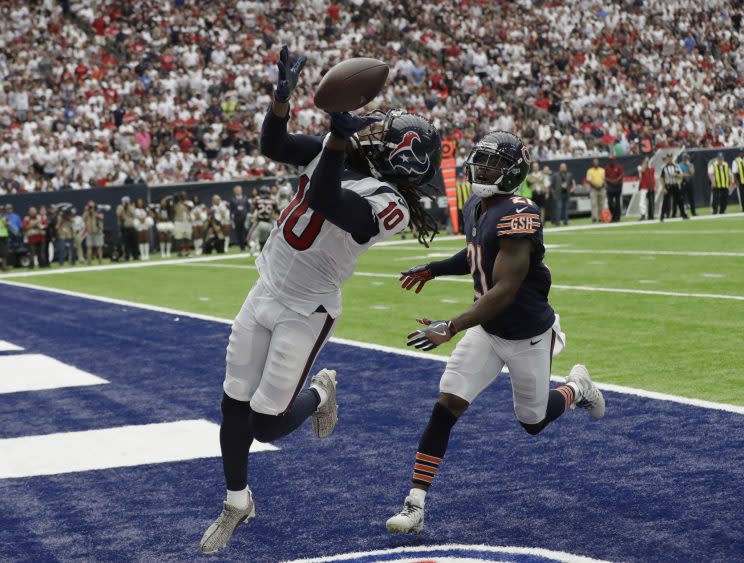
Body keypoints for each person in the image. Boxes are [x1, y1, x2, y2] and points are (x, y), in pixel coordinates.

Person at [199, 44, 442, 554]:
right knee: (232, 402)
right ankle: (236, 500)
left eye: (383, 131)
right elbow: (273, 143)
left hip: (305, 310)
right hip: (265, 287)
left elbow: (326, 200)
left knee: (265, 424)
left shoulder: (391, 203)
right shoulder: (335, 150)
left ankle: (320, 395)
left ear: (399, 154)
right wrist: (281, 100)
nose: (371, 128)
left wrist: (335, 138)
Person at [386, 131, 605, 534]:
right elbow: (475, 254)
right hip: (487, 329)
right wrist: (433, 269)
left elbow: (504, 290)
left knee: (533, 421)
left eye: (492, 164)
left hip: (526, 333)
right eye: (480, 160)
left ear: (513, 173)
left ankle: (577, 387)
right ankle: (415, 502)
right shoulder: (476, 204)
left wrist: (450, 326)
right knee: (448, 402)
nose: (481, 169)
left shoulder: (520, 213)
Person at [247, 185, 279, 255]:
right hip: (269, 224)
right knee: (263, 241)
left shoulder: (257, 200)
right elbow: (277, 213)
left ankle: (253, 245)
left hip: (259, 222)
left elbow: (251, 211)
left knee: (249, 240)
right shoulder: (273, 201)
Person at [660, 154, 688, 221]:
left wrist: (676, 175)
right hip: (668, 185)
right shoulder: (664, 167)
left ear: (672, 158)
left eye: (670, 157)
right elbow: (661, 178)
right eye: (668, 157)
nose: (669, 159)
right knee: (665, 202)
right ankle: (662, 216)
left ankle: (683, 215)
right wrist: (663, 187)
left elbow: (681, 175)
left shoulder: (676, 166)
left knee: (680, 201)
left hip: (675, 185)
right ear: (667, 158)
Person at [585, 157, 606, 223]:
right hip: (593, 189)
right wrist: (596, 186)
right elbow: (589, 180)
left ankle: (600, 217)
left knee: (601, 204)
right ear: (592, 163)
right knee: (594, 204)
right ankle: (594, 218)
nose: (595, 163)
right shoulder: (590, 171)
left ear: (598, 163)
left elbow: (605, 179)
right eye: (594, 162)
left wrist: (601, 185)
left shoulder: (602, 170)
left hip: (602, 189)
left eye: (596, 162)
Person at [231, 185, 251, 251]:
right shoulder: (232, 199)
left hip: (245, 217)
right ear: (234, 191)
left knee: (246, 232)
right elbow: (231, 210)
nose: (238, 191)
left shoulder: (245, 198)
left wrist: (248, 215)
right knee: (239, 233)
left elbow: (248, 208)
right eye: (237, 190)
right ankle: (242, 247)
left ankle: (249, 244)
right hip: (237, 218)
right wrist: (232, 218)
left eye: (239, 190)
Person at [173, 191, 193, 257]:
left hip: (187, 221)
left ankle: (188, 251)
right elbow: (173, 208)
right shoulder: (176, 203)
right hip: (179, 221)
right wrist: (177, 200)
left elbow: (190, 208)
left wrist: (183, 203)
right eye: (182, 195)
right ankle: (180, 251)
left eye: (184, 195)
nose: (183, 196)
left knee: (188, 237)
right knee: (179, 238)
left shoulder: (189, 202)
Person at [604, 155, 624, 222]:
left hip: (618, 186)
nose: (611, 161)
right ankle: (612, 217)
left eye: (612, 159)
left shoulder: (618, 166)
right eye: (610, 160)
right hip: (610, 186)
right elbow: (605, 177)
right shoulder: (607, 168)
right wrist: (611, 181)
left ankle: (617, 218)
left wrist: (616, 180)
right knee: (610, 202)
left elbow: (621, 175)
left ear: (614, 160)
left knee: (617, 202)